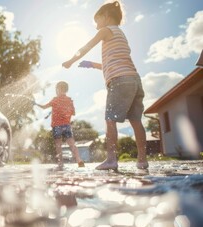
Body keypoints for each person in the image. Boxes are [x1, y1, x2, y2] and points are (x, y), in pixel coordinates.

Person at [62, 1, 148, 170]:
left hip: (119, 81)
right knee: (136, 121)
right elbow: (113, 62)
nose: (96, 26)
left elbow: (87, 46)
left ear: (106, 17)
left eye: (97, 20)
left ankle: (111, 159)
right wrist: (93, 65)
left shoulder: (105, 30)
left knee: (110, 120)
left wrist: (71, 60)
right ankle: (142, 160)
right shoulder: (120, 34)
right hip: (134, 80)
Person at [35, 81, 85, 170]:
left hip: (57, 126)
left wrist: (36, 104)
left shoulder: (55, 99)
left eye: (56, 89)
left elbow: (44, 107)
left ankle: (60, 163)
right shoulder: (69, 100)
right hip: (67, 125)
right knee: (72, 144)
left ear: (59, 89)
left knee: (58, 145)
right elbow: (73, 113)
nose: (56, 91)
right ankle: (79, 160)